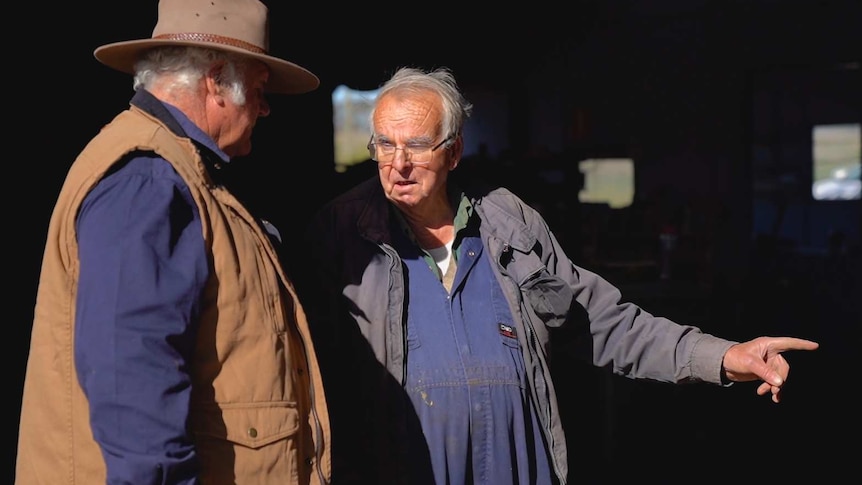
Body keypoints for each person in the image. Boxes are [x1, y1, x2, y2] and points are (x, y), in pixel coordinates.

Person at [291, 66, 820, 485]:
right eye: (384, 144)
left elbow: (604, 322)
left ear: (453, 151)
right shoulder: (341, 236)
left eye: (417, 146)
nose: (398, 163)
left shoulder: (508, 223)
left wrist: (724, 356)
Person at [16, 1, 330, 483]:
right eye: (261, 90)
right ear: (218, 80)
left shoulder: (175, 171)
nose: (266, 108)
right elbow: (132, 383)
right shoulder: (149, 181)